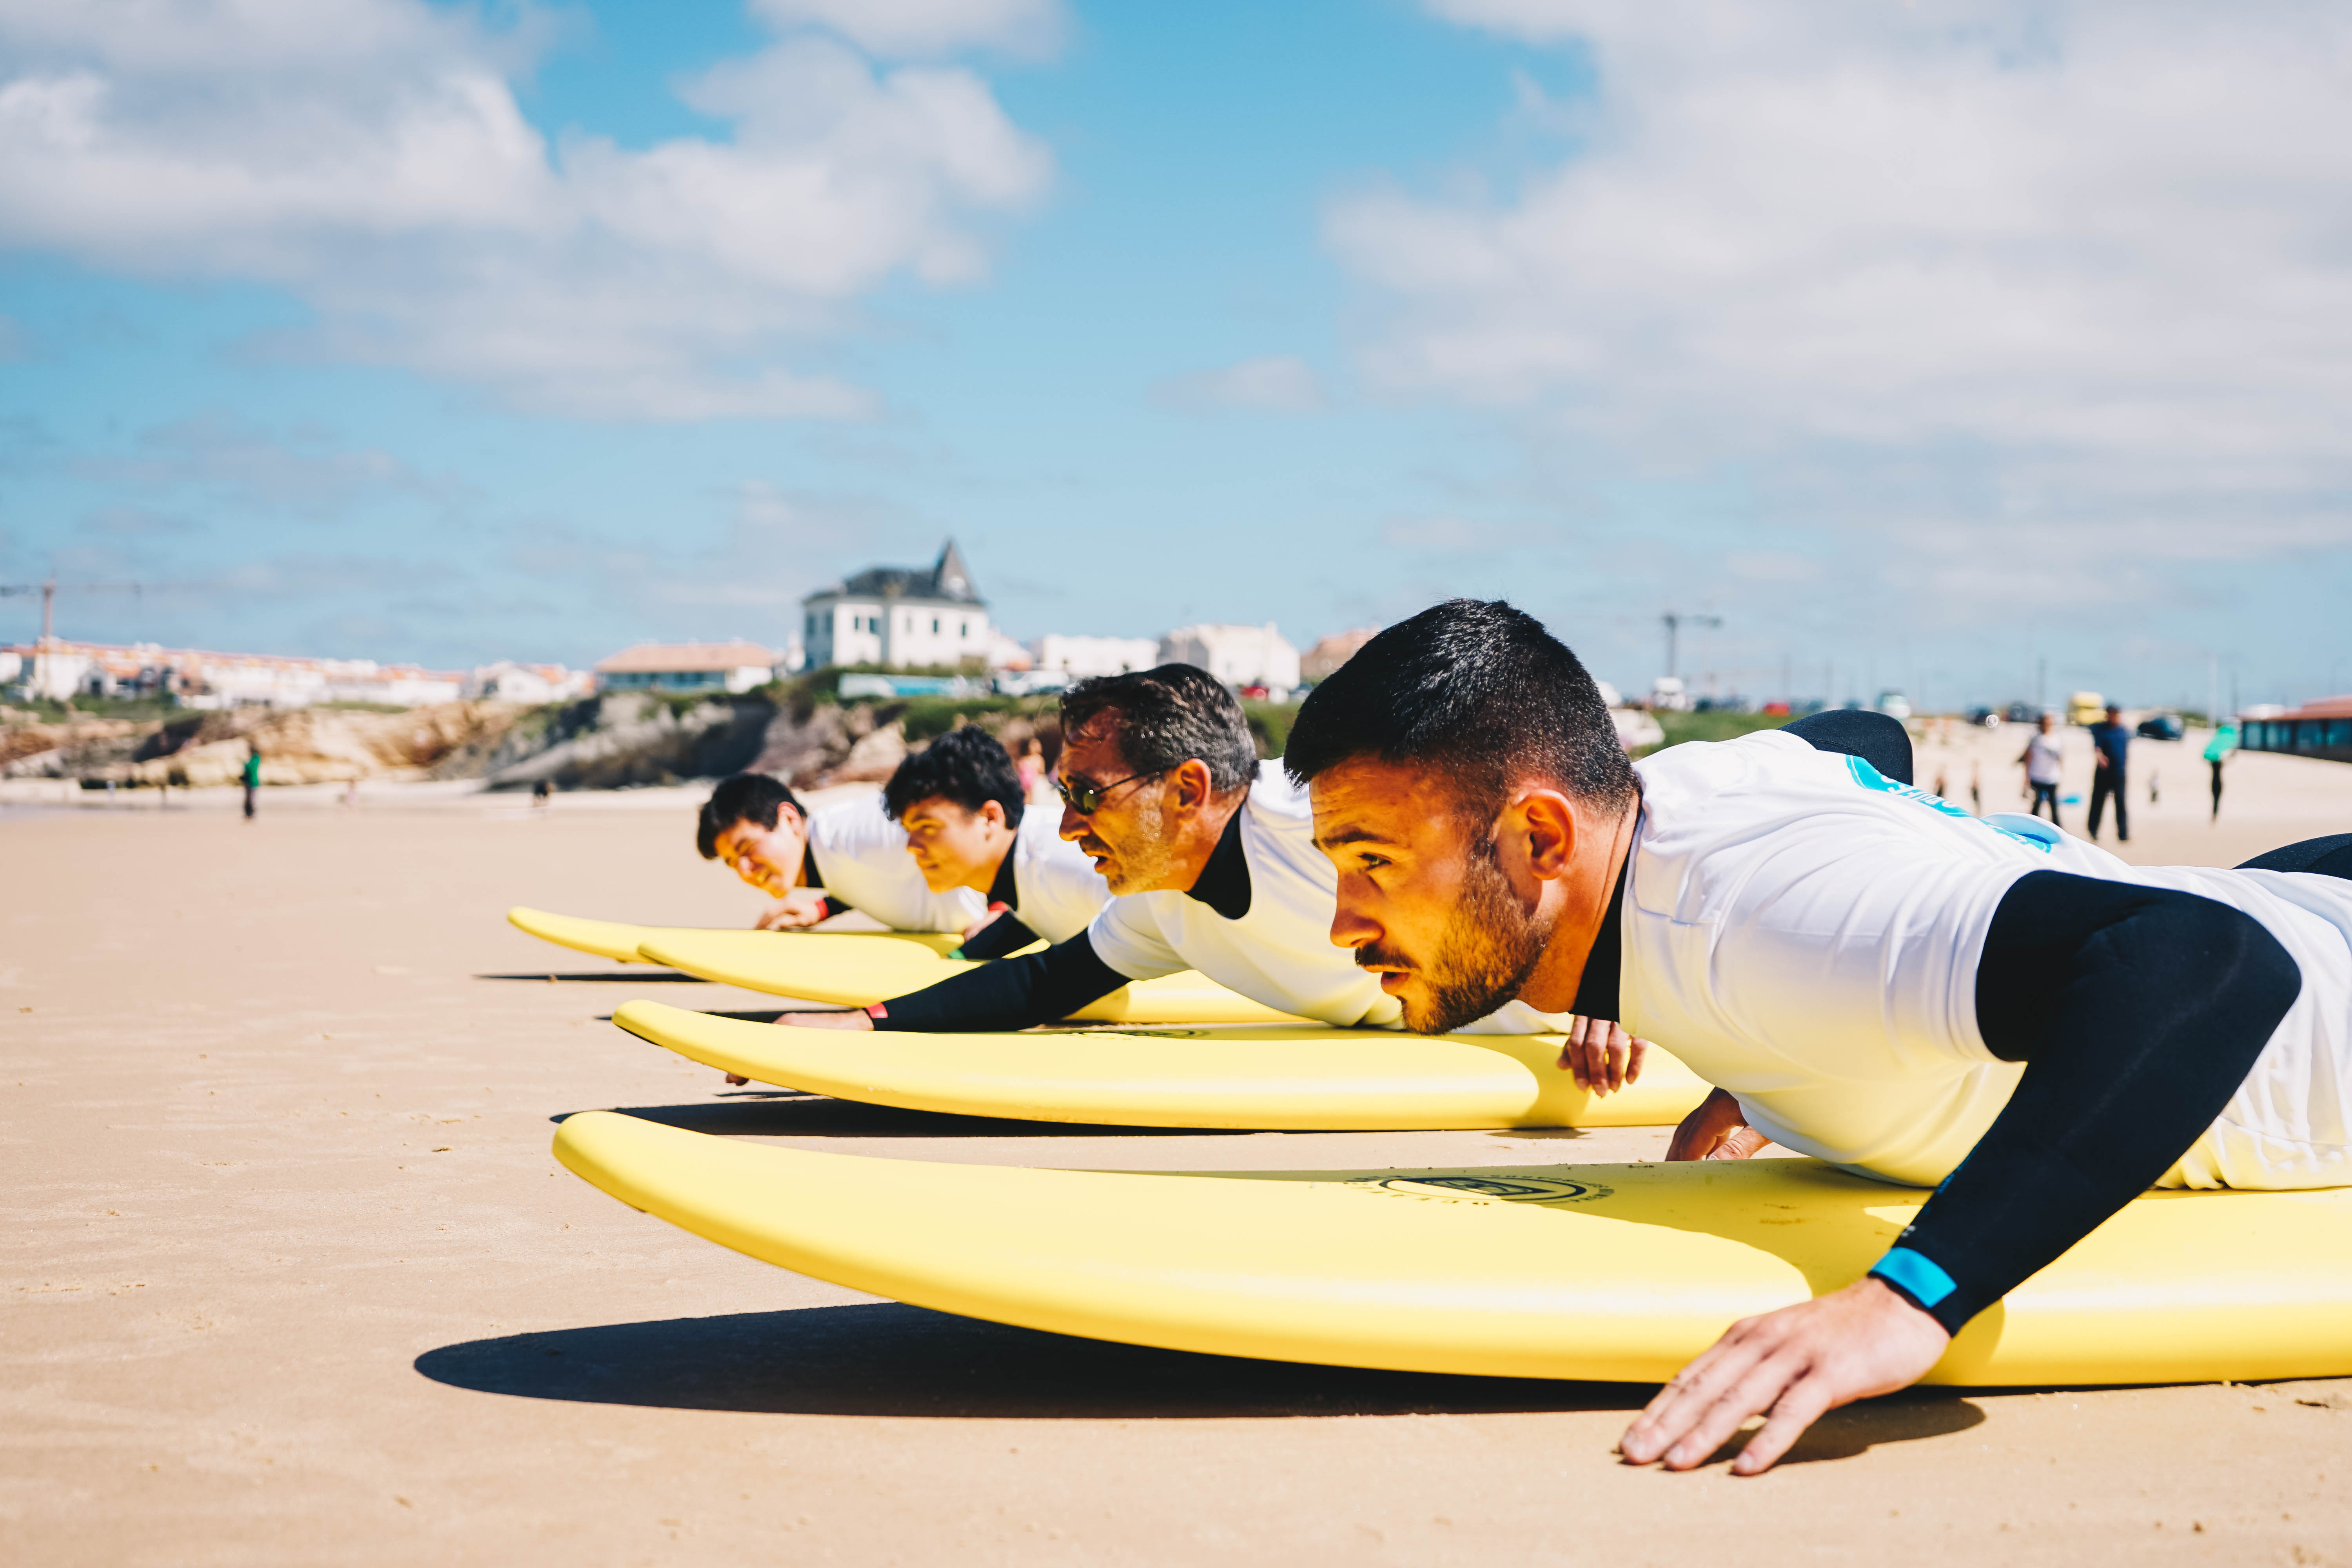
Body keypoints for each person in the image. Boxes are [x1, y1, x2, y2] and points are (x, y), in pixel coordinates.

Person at [1282, 599, 2351, 1477]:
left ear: (1543, 837)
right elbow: (1866, 742)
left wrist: (1916, 1296)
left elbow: (2206, 963)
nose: (1342, 921)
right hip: (2284, 894)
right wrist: (1754, 1076)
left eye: (1372, 860)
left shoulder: (1768, 931)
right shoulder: (1669, 806)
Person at [771, 665, 1640, 1094]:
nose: (1069, 824)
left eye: (1086, 794)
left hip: (1590, 1028)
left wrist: (1608, 979)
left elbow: (1568, 821)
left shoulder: (1314, 819)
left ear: (1188, 789)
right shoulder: (1157, 908)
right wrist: (869, 1022)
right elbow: (1049, 979)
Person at [879, 726, 1111, 958]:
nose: (912, 846)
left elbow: (1140, 915)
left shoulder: (1065, 859)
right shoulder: (1027, 869)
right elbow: (1036, 913)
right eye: (909, 830)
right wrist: (961, 957)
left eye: (927, 827)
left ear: (990, 818)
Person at [697, 773, 986, 935]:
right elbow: (873, 869)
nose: (745, 871)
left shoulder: (855, 831)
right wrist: (823, 908)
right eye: (733, 863)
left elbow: (973, 827)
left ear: (789, 820)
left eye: (747, 849)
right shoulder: (832, 849)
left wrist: (1001, 915)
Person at [2087, 702, 2131, 843]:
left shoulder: (2124, 731)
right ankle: (2093, 830)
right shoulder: (2101, 729)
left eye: (2114, 713)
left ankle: (2123, 834)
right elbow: (2097, 748)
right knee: (2098, 802)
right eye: (2109, 714)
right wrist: (2100, 758)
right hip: (2103, 773)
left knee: (2121, 803)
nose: (2111, 716)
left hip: (2119, 773)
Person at [2016, 712, 2062, 824]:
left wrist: (2061, 775)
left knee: (2054, 807)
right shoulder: (2035, 739)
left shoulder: (2057, 739)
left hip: (2052, 778)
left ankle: (2059, 831)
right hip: (2037, 777)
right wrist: (2026, 778)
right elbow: (2028, 759)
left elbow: (2060, 759)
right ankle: (2034, 828)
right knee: (2036, 807)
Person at [2207, 717, 2239, 822]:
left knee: (2215, 799)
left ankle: (2214, 816)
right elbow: (2229, 759)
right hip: (2219, 782)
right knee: (2217, 799)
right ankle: (2215, 816)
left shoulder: (2213, 762)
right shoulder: (2220, 763)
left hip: (2212, 782)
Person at [1016, 736, 1048, 803]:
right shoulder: (1024, 759)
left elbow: (1042, 772)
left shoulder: (1039, 759)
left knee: (1033, 799)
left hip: (1034, 783)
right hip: (1024, 782)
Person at [241, 743, 261, 821]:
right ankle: (248, 814)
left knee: (252, 799)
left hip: (253, 782)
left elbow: (249, 767)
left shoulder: (255, 759)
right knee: (248, 799)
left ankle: (252, 814)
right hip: (248, 781)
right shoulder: (254, 759)